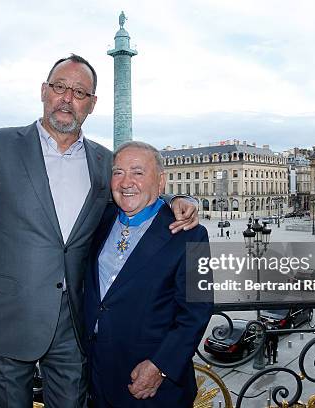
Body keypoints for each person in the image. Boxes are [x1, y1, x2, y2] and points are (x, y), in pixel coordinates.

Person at [0, 54, 198, 408]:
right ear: (44, 91)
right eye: (60, 87)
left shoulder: (103, 161)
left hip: (75, 327)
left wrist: (179, 199)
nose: (67, 98)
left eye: (79, 92)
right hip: (7, 322)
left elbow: (134, 187)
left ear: (91, 104)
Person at [84, 142, 213, 407]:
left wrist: (160, 366)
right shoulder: (100, 218)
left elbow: (197, 310)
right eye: (118, 172)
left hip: (151, 383)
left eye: (138, 172)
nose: (126, 182)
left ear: (161, 181)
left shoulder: (193, 235)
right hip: (95, 375)